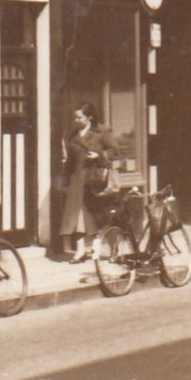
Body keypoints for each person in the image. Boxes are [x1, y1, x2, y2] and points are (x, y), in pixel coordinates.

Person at [59, 103, 118, 263]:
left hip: (95, 181)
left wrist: (98, 155)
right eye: (75, 117)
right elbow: (70, 161)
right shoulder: (73, 135)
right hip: (77, 181)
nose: (76, 120)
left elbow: (115, 151)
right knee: (76, 217)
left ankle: (105, 250)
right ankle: (80, 251)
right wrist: (64, 181)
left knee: (98, 217)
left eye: (79, 117)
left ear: (89, 117)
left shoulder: (102, 132)